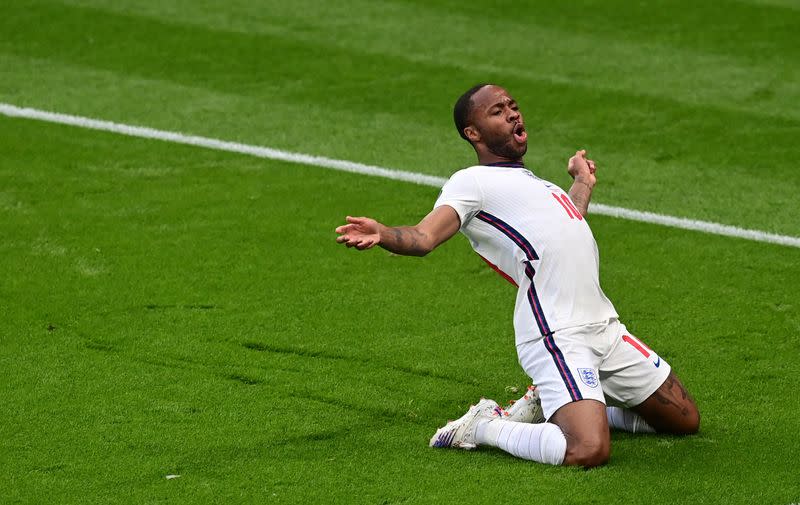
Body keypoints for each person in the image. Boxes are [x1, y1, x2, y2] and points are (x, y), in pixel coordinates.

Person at [335, 83, 700, 468]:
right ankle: (483, 426)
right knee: (588, 449)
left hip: (604, 325)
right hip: (556, 330)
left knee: (683, 419)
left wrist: (581, 184)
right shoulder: (471, 182)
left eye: (513, 105)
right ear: (472, 133)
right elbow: (424, 237)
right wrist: (385, 233)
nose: (512, 113)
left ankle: (567, 405)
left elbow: (566, 228)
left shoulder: (538, 185)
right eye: (497, 111)